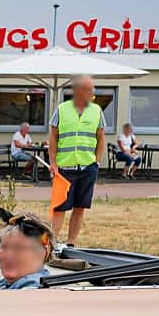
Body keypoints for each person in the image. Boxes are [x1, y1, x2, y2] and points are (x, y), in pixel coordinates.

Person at [49, 75, 106, 247]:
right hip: (64, 167)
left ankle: (71, 243)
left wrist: (97, 161)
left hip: (88, 167)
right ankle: (52, 243)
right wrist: (53, 163)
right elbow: (53, 137)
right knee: (60, 207)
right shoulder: (62, 109)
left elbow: (101, 137)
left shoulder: (97, 111)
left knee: (80, 207)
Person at [0, 214, 54, 289]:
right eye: (4, 247)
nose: (8, 255)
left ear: (42, 254)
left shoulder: (34, 287)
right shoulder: (5, 283)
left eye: (19, 248)